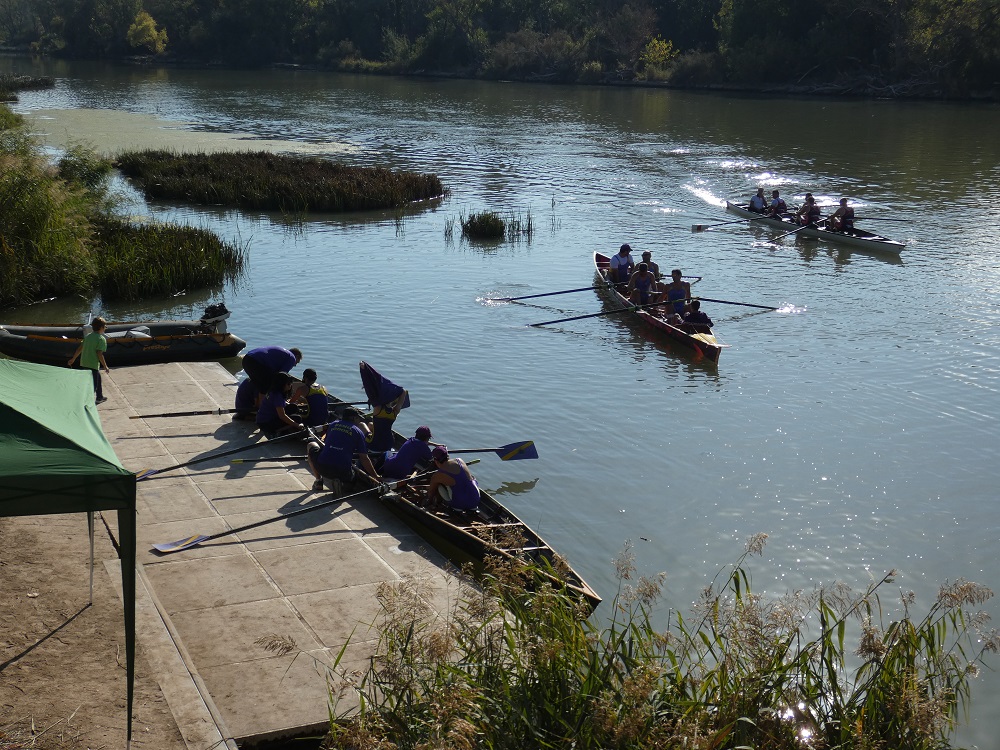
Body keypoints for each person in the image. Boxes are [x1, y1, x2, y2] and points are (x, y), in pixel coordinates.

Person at [306, 407, 379, 492]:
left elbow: (326, 444)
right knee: (354, 474)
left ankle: (318, 480)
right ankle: (343, 484)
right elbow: (364, 458)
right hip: (343, 473)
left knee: (310, 445)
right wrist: (375, 476)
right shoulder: (358, 432)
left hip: (322, 468)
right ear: (353, 418)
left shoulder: (333, 424)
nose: (359, 420)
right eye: (358, 418)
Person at [67, 316, 110, 404]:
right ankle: (86, 402)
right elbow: (99, 354)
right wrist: (105, 366)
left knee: (98, 379)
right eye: (105, 327)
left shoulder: (88, 337)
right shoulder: (101, 339)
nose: (105, 329)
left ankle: (99, 397)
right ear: (101, 328)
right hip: (93, 365)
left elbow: (79, 349)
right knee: (93, 385)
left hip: (84, 363)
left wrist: (73, 359)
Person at [425, 445, 480, 512]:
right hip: (475, 501)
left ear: (436, 461)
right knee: (471, 478)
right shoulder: (460, 460)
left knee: (438, 485)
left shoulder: (437, 475)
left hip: (458, 505)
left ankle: (439, 504)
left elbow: (431, 492)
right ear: (448, 456)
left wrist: (428, 503)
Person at [366, 389, 408, 458]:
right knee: (371, 424)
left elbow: (375, 397)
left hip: (374, 444)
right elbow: (403, 392)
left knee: (362, 424)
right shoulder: (395, 411)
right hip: (389, 443)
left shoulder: (378, 409)